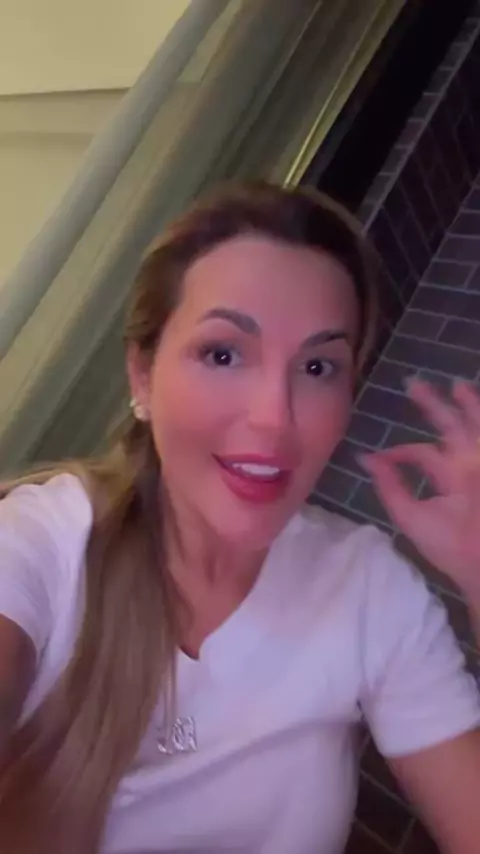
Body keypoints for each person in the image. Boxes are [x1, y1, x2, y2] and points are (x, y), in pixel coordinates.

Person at [0, 182, 479, 854]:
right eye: (222, 354)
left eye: (318, 366)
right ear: (142, 376)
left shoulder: (367, 585)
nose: (274, 418)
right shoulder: (42, 542)